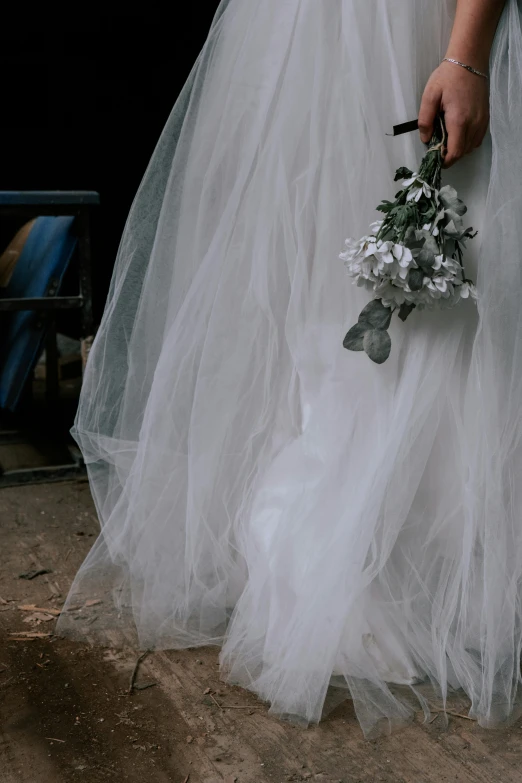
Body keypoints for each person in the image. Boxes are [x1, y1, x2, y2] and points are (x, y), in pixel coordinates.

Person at [58, 0, 522, 738]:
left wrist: (465, 52)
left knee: (422, 279)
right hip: (305, 35)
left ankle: (407, 554)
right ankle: (323, 550)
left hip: (409, 28)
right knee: (311, 275)